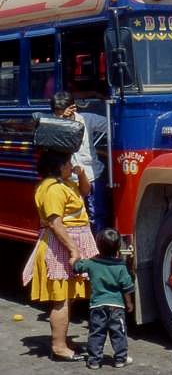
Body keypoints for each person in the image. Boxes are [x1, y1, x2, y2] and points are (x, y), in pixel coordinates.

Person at [22, 150, 99, 362]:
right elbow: (56, 224)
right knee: (61, 299)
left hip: (69, 244)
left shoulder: (65, 183)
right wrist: (74, 250)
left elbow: (86, 191)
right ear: (57, 166)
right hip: (60, 248)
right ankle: (58, 347)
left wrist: (81, 174)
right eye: (67, 162)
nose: (70, 165)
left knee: (68, 296)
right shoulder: (53, 189)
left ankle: (62, 340)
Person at [74, 228, 134, 369]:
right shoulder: (120, 266)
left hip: (97, 306)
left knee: (96, 332)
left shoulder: (92, 263)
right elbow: (126, 287)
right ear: (119, 247)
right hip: (116, 307)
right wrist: (129, 303)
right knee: (118, 333)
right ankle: (120, 359)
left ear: (98, 245)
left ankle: (94, 361)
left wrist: (75, 258)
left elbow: (77, 267)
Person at [50, 91, 109, 234]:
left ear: (73, 108)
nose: (58, 116)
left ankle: (98, 247)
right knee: (73, 217)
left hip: (92, 174)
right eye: (56, 113)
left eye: (61, 112)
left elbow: (112, 126)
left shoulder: (86, 119)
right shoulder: (52, 123)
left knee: (97, 215)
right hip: (69, 180)